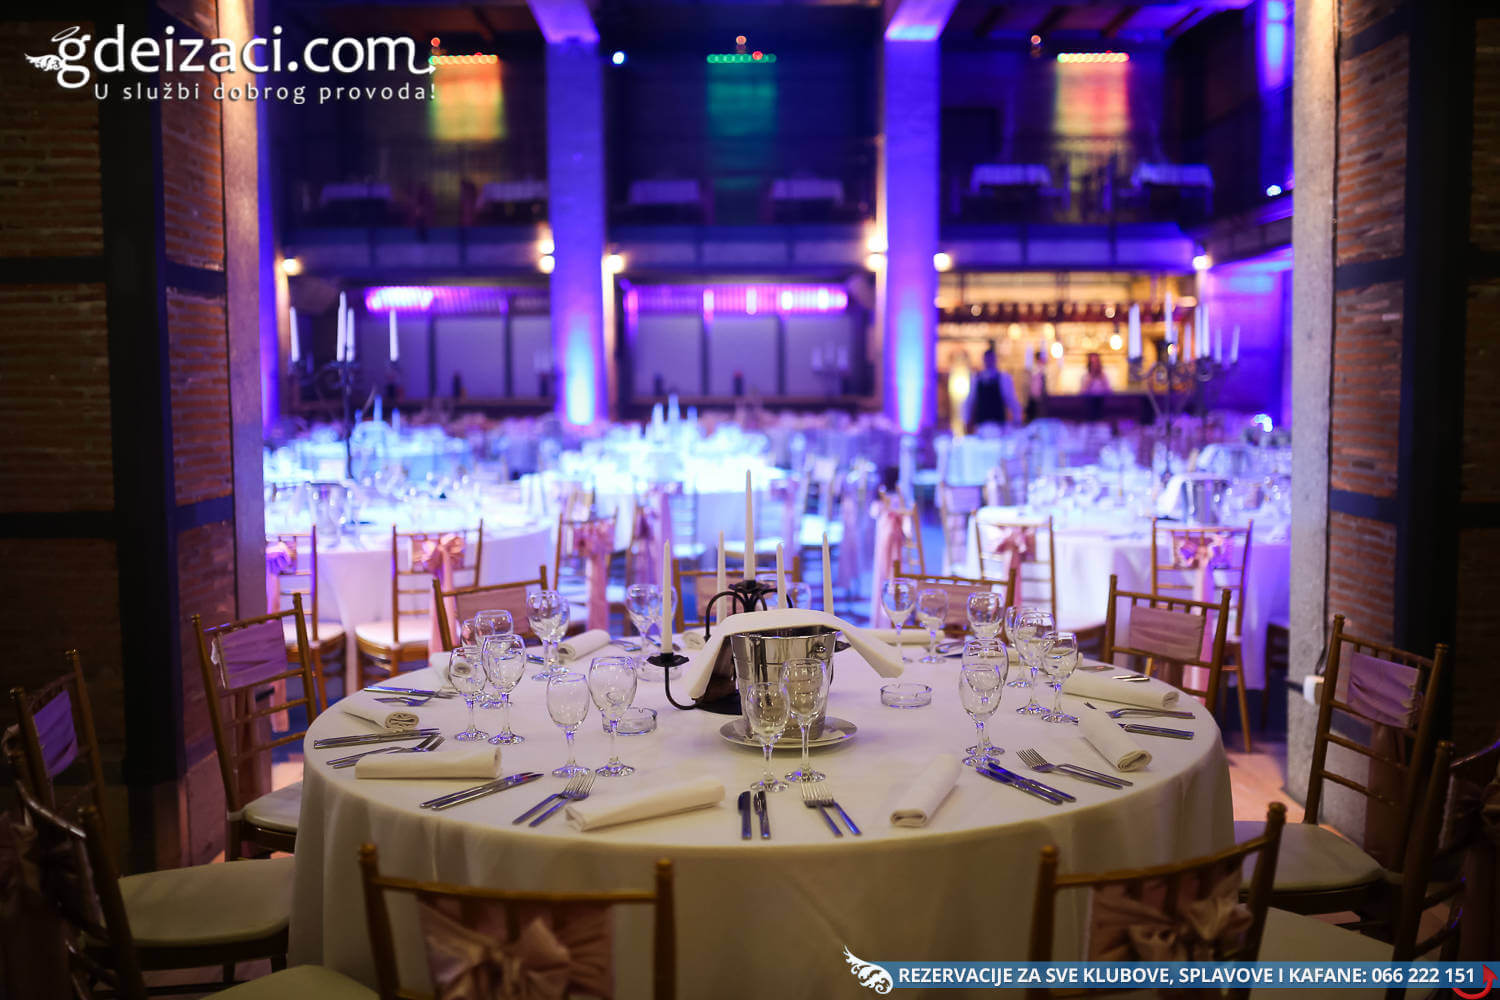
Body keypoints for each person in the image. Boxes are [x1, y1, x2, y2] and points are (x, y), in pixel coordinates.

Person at [965, 347, 1021, 433]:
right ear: (984, 360)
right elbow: (970, 401)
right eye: (987, 359)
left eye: (991, 359)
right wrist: (966, 420)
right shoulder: (976, 379)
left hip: (1000, 426)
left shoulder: (1004, 378)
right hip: (981, 426)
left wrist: (1017, 418)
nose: (989, 361)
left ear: (995, 360)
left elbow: (1012, 400)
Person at [1025, 349, 1048, 423]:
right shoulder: (1035, 372)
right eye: (1043, 359)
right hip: (1036, 403)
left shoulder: (1043, 371)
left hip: (1040, 402)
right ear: (1039, 360)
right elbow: (1034, 390)